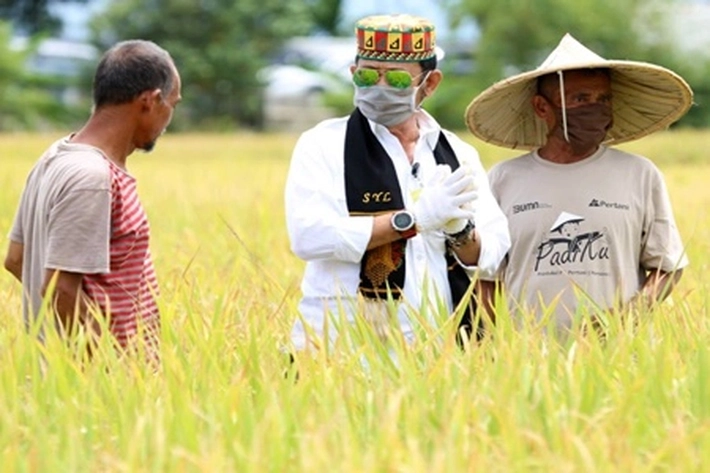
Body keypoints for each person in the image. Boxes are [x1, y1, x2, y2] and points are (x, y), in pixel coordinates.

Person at [285, 14, 510, 351]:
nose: (379, 88)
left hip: (438, 346)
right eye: (366, 75)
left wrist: (459, 230)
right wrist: (413, 219)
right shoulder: (323, 145)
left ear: (430, 84)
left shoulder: (456, 153)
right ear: (352, 73)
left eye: (397, 80)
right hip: (338, 347)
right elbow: (310, 237)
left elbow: (493, 254)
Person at [465, 34, 692, 333]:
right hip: (527, 360)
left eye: (603, 100)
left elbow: (667, 265)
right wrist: (495, 344)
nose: (595, 109)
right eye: (581, 99)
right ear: (542, 107)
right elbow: (487, 278)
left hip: (619, 359)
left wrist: (625, 319)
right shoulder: (503, 179)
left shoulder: (639, 174)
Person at [3, 40, 182, 354]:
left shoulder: (54, 156)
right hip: (95, 387)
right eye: (172, 104)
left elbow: (16, 260)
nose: (169, 120)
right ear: (150, 101)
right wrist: (114, 365)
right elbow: (60, 291)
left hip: (64, 377)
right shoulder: (93, 178)